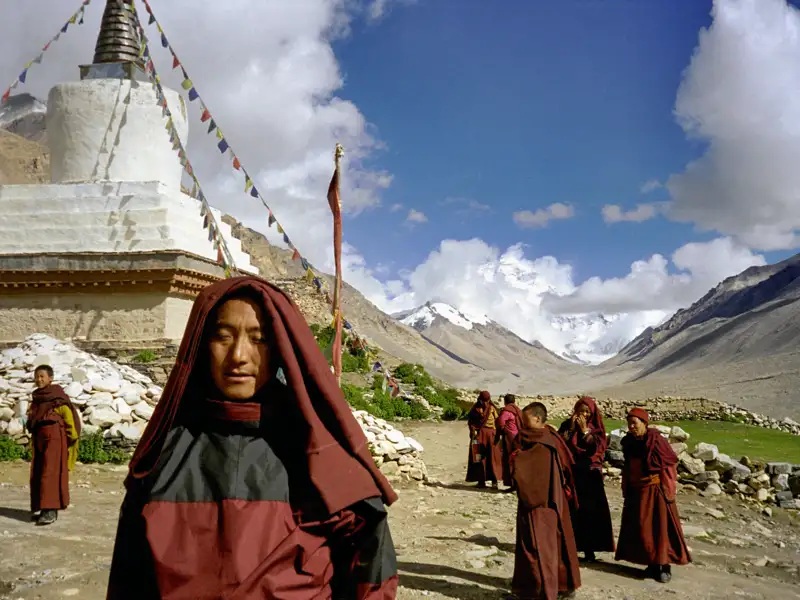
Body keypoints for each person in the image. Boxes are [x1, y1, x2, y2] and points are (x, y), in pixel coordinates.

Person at [106, 276, 399, 599]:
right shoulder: (164, 454)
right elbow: (129, 574)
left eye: (258, 339)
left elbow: (370, 566)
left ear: (281, 349)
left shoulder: (318, 451)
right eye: (222, 337)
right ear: (201, 344)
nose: (238, 356)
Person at [510, 402, 581, 600]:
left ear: (538, 419)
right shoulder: (550, 438)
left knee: (537, 547)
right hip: (551, 502)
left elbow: (530, 472)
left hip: (540, 504)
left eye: (526, 420)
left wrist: (516, 460)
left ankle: (539, 592)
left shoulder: (542, 443)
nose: (523, 425)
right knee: (553, 546)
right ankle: (559, 588)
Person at [615, 407, 691, 583]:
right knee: (642, 529)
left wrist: (668, 491)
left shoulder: (656, 441)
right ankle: (650, 564)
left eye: (634, 423)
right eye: (629, 423)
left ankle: (664, 566)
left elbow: (669, 465)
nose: (631, 427)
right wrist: (626, 486)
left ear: (644, 423)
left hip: (655, 491)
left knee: (659, 529)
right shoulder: (629, 442)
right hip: (637, 491)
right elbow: (627, 466)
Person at [557, 396, 615, 561]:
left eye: (587, 411)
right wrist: (571, 428)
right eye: (581, 410)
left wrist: (584, 432)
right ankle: (570, 547)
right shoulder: (566, 426)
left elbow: (596, 448)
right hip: (572, 473)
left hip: (590, 475)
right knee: (571, 510)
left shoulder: (596, 429)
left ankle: (590, 550)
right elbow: (560, 443)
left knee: (590, 512)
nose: (583, 414)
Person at [25, 364, 81, 526]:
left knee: (50, 474)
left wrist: (70, 441)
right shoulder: (37, 398)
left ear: (51, 378)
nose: (39, 379)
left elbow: (69, 420)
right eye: (37, 376)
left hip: (55, 441)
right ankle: (43, 509)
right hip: (40, 441)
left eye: (42, 376)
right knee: (39, 472)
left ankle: (51, 511)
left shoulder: (57, 397)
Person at [466, 390, 502, 488]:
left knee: (484, 457)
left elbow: (471, 421)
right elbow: (498, 421)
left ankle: (487, 481)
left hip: (483, 435)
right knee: (485, 458)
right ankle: (487, 482)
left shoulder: (479, 408)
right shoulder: (490, 408)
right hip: (486, 435)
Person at [496, 393, 523, 491]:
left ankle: (512, 484)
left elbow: (500, 423)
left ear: (505, 401)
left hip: (509, 439)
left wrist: (501, 432)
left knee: (509, 460)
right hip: (519, 438)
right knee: (517, 460)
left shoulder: (506, 411)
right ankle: (517, 484)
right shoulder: (518, 410)